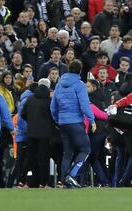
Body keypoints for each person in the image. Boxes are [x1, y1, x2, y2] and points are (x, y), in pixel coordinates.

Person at [50, 60, 96, 188]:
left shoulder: (59, 84)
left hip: (63, 123)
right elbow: (84, 105)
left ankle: (65, 180)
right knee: (86, 149)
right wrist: (92, 120)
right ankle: (72, 174)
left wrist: (57, 119)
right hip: (75, 122)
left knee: (67, 153)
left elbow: (53, 106)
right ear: (80, 71)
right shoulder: (79, 85)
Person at [21, 78, 53, 188]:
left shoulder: (29, 99)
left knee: (32, 158)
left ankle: (32, 182)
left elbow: (23, 114)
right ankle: (43, 183)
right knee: (43, 159)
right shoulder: (49, 100)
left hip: (31, 133)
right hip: (45, 134)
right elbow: (53, 116)